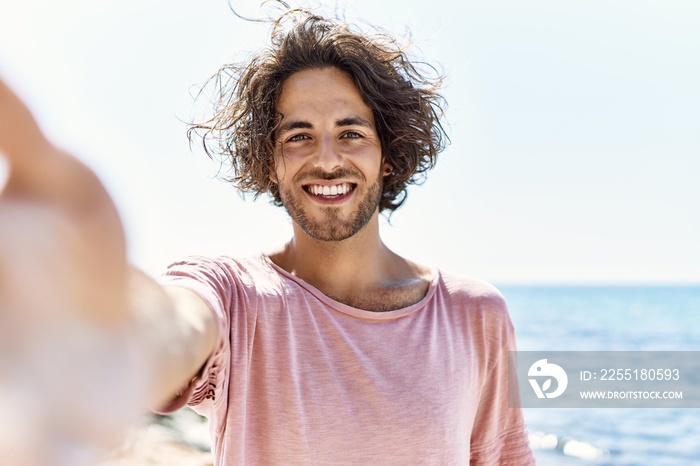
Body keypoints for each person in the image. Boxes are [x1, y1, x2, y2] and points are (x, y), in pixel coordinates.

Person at [0, 5, 535, 466]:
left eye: (351, 133)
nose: (327, 160)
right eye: (299, 136)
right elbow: (176, 325)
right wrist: (106, 324)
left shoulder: (473, 314)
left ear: (388, 154)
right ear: (269, 163)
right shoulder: (234, 296)